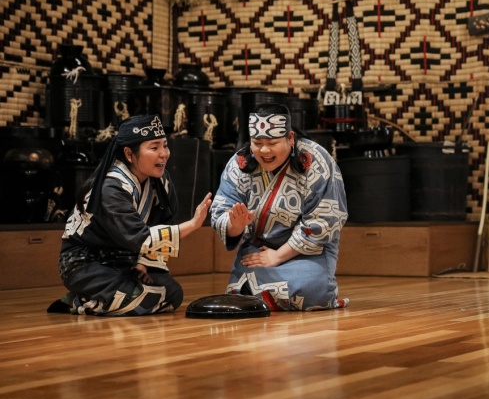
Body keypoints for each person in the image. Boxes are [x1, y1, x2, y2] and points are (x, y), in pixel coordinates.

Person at [48, 115, 212, 316]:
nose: (164, 154)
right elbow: (141, 238)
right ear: (129, 154)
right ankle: (78, 302)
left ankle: (107, 298)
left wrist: (143, 265)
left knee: (173, 293)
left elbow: (163, 223)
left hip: (127, 261)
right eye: (154, 148)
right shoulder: (111, 188)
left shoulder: (161, 182)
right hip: (85, 263)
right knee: (146, 298)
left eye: (165, 145)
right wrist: (193, 224)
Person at [210, 104, 349, 311]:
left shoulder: (317, 162)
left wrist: (277, 256)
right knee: (244, 289)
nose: (264, 150)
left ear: (290, 138)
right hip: (259, 249)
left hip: (309, 250)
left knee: (311, 290)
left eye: (272, 143)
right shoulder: (239, 164)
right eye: (257, 143)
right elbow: (221, 211)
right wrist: (235, 225)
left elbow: (325, 220)